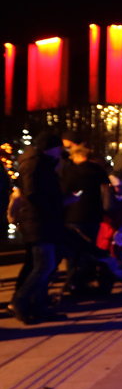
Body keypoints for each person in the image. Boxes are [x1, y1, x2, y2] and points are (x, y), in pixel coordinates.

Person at [8, 132, 68, 324]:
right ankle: (20, 301)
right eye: (58, 147)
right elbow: (32, 192)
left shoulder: (41, 162)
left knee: (43, 266)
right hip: (38, 221)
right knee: (44, 265)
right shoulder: (34, 163)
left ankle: (39, 307)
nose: (60, 151)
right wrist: (51, 208)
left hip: (42, 220)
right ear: (49, 147)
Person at [60, 144, 111, 296]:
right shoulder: (98, 171)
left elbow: (64, 192)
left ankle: (73, 283)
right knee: (90, 248)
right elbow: (106, 192)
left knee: (73, 251)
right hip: (94, 215)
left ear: (78, 156)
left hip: (74, 215)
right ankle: (85, 280)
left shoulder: (71, 172)